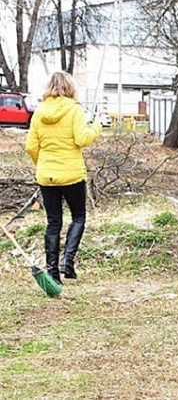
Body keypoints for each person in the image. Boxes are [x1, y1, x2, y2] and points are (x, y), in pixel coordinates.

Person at [25, 71, 103, 284]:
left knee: (53, 222)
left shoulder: (39, 112)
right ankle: (67, 261)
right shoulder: (74, 109)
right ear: (70, 88)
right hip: (72, 174)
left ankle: (52, 272)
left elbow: (30, 146)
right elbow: (82, 139)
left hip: (46, 176)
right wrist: (97, 125)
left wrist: (42, 164)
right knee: (78, 216)